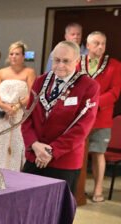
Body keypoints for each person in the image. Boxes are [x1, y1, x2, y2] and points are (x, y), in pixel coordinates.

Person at [22, 41, 99, 195]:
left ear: (77, 61)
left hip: (64, 161)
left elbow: (81, 128)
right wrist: (35, 145)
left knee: (57, 213)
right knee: (27, 210)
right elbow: (27, 118)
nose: (60, 65)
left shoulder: (89, 86)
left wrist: (52, 151)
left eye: (66, 61)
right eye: (56, 60)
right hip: (34, 156)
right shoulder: (40, 81)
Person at [78, 31, 121, 202]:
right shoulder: (77, 63)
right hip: (80, 117)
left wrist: (95, 103)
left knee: (98, 153)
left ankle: (97, 190)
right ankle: (76, 188)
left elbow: (115, 92)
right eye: (96, 43)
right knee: (77, 153)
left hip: (102, 117)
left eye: (103, 43)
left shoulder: (115, 65)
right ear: (87, 45)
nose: (100, 47)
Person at [0, 42, 36, 171]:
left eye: (17, 54)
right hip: (1, 112)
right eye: (11, 54)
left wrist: (17, 106)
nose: (14, 56)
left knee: (16, 144)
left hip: (18, 113)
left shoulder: (29, 72)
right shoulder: (2, 72)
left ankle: (15, 172)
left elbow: (32, 93)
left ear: (23, 56)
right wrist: (4, 106)